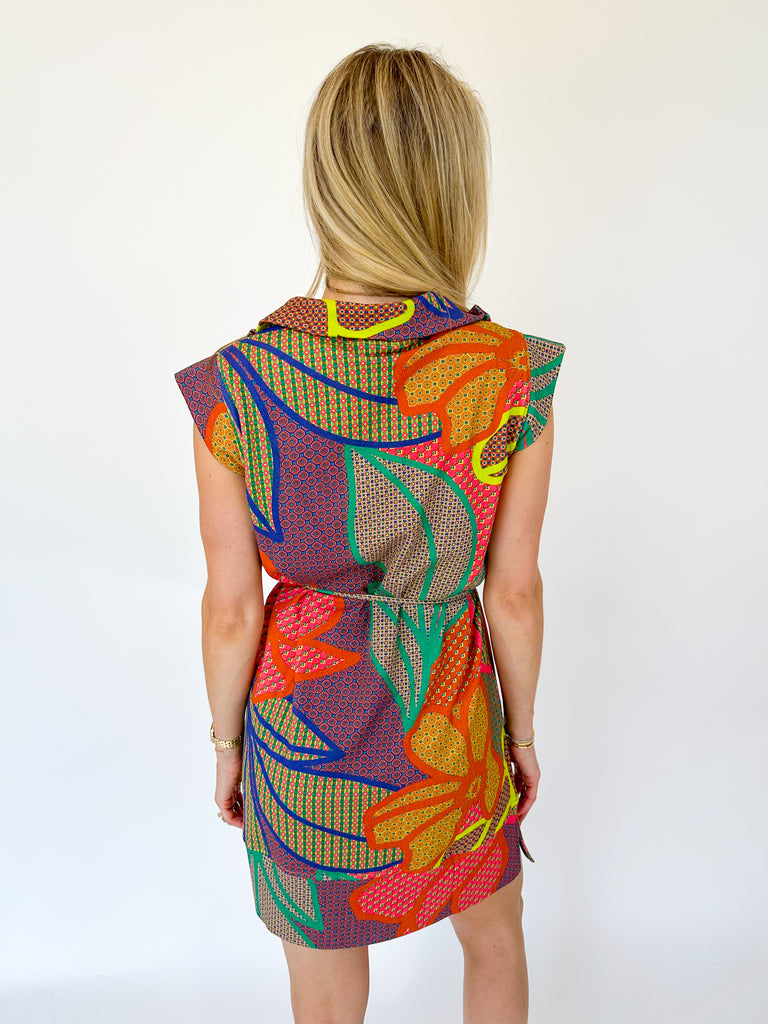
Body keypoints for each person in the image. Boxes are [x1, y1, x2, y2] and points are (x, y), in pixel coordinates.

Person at [174, 42, 564, 1024]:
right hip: (453, 725)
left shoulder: (238, 384)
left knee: (324, 978)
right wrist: (519, 734)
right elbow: (515, 591)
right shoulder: (510, 372)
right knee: (495, 938)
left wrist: (227, 743)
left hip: (302, 739)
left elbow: (231, 608)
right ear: (453, 188)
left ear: (326, 184)